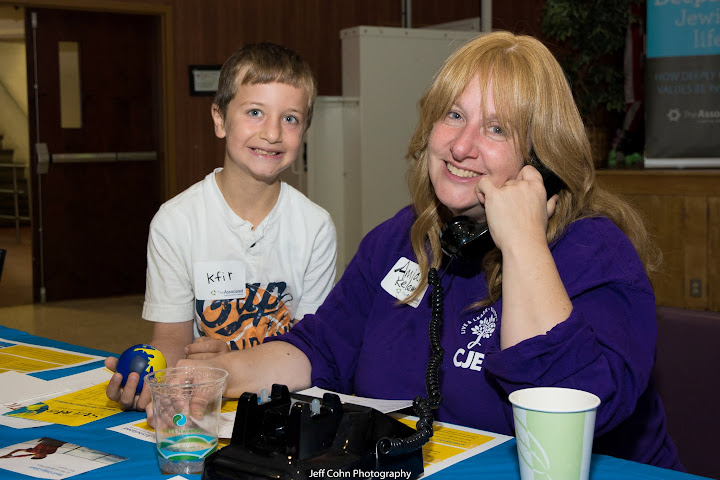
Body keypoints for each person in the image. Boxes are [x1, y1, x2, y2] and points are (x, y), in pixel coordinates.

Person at [170, 31, 683, 470]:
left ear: (541, 159)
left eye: (497, 128)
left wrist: (524, 244)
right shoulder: (403, 236)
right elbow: (321, 347)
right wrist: (220, 376)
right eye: (454, 115)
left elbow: (570, 408)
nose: (461, 146)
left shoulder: (594, 252)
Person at [105, 42, 337, 411]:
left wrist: (233, 358)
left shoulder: (316, 227)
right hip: (202, 394)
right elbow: (171, 338)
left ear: (305, 128)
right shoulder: (176, 221)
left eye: (290, 118)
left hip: (282, 400)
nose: (272, 133)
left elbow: (312, 343)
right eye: (255, 112)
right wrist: (154, 383)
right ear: (219, 118)